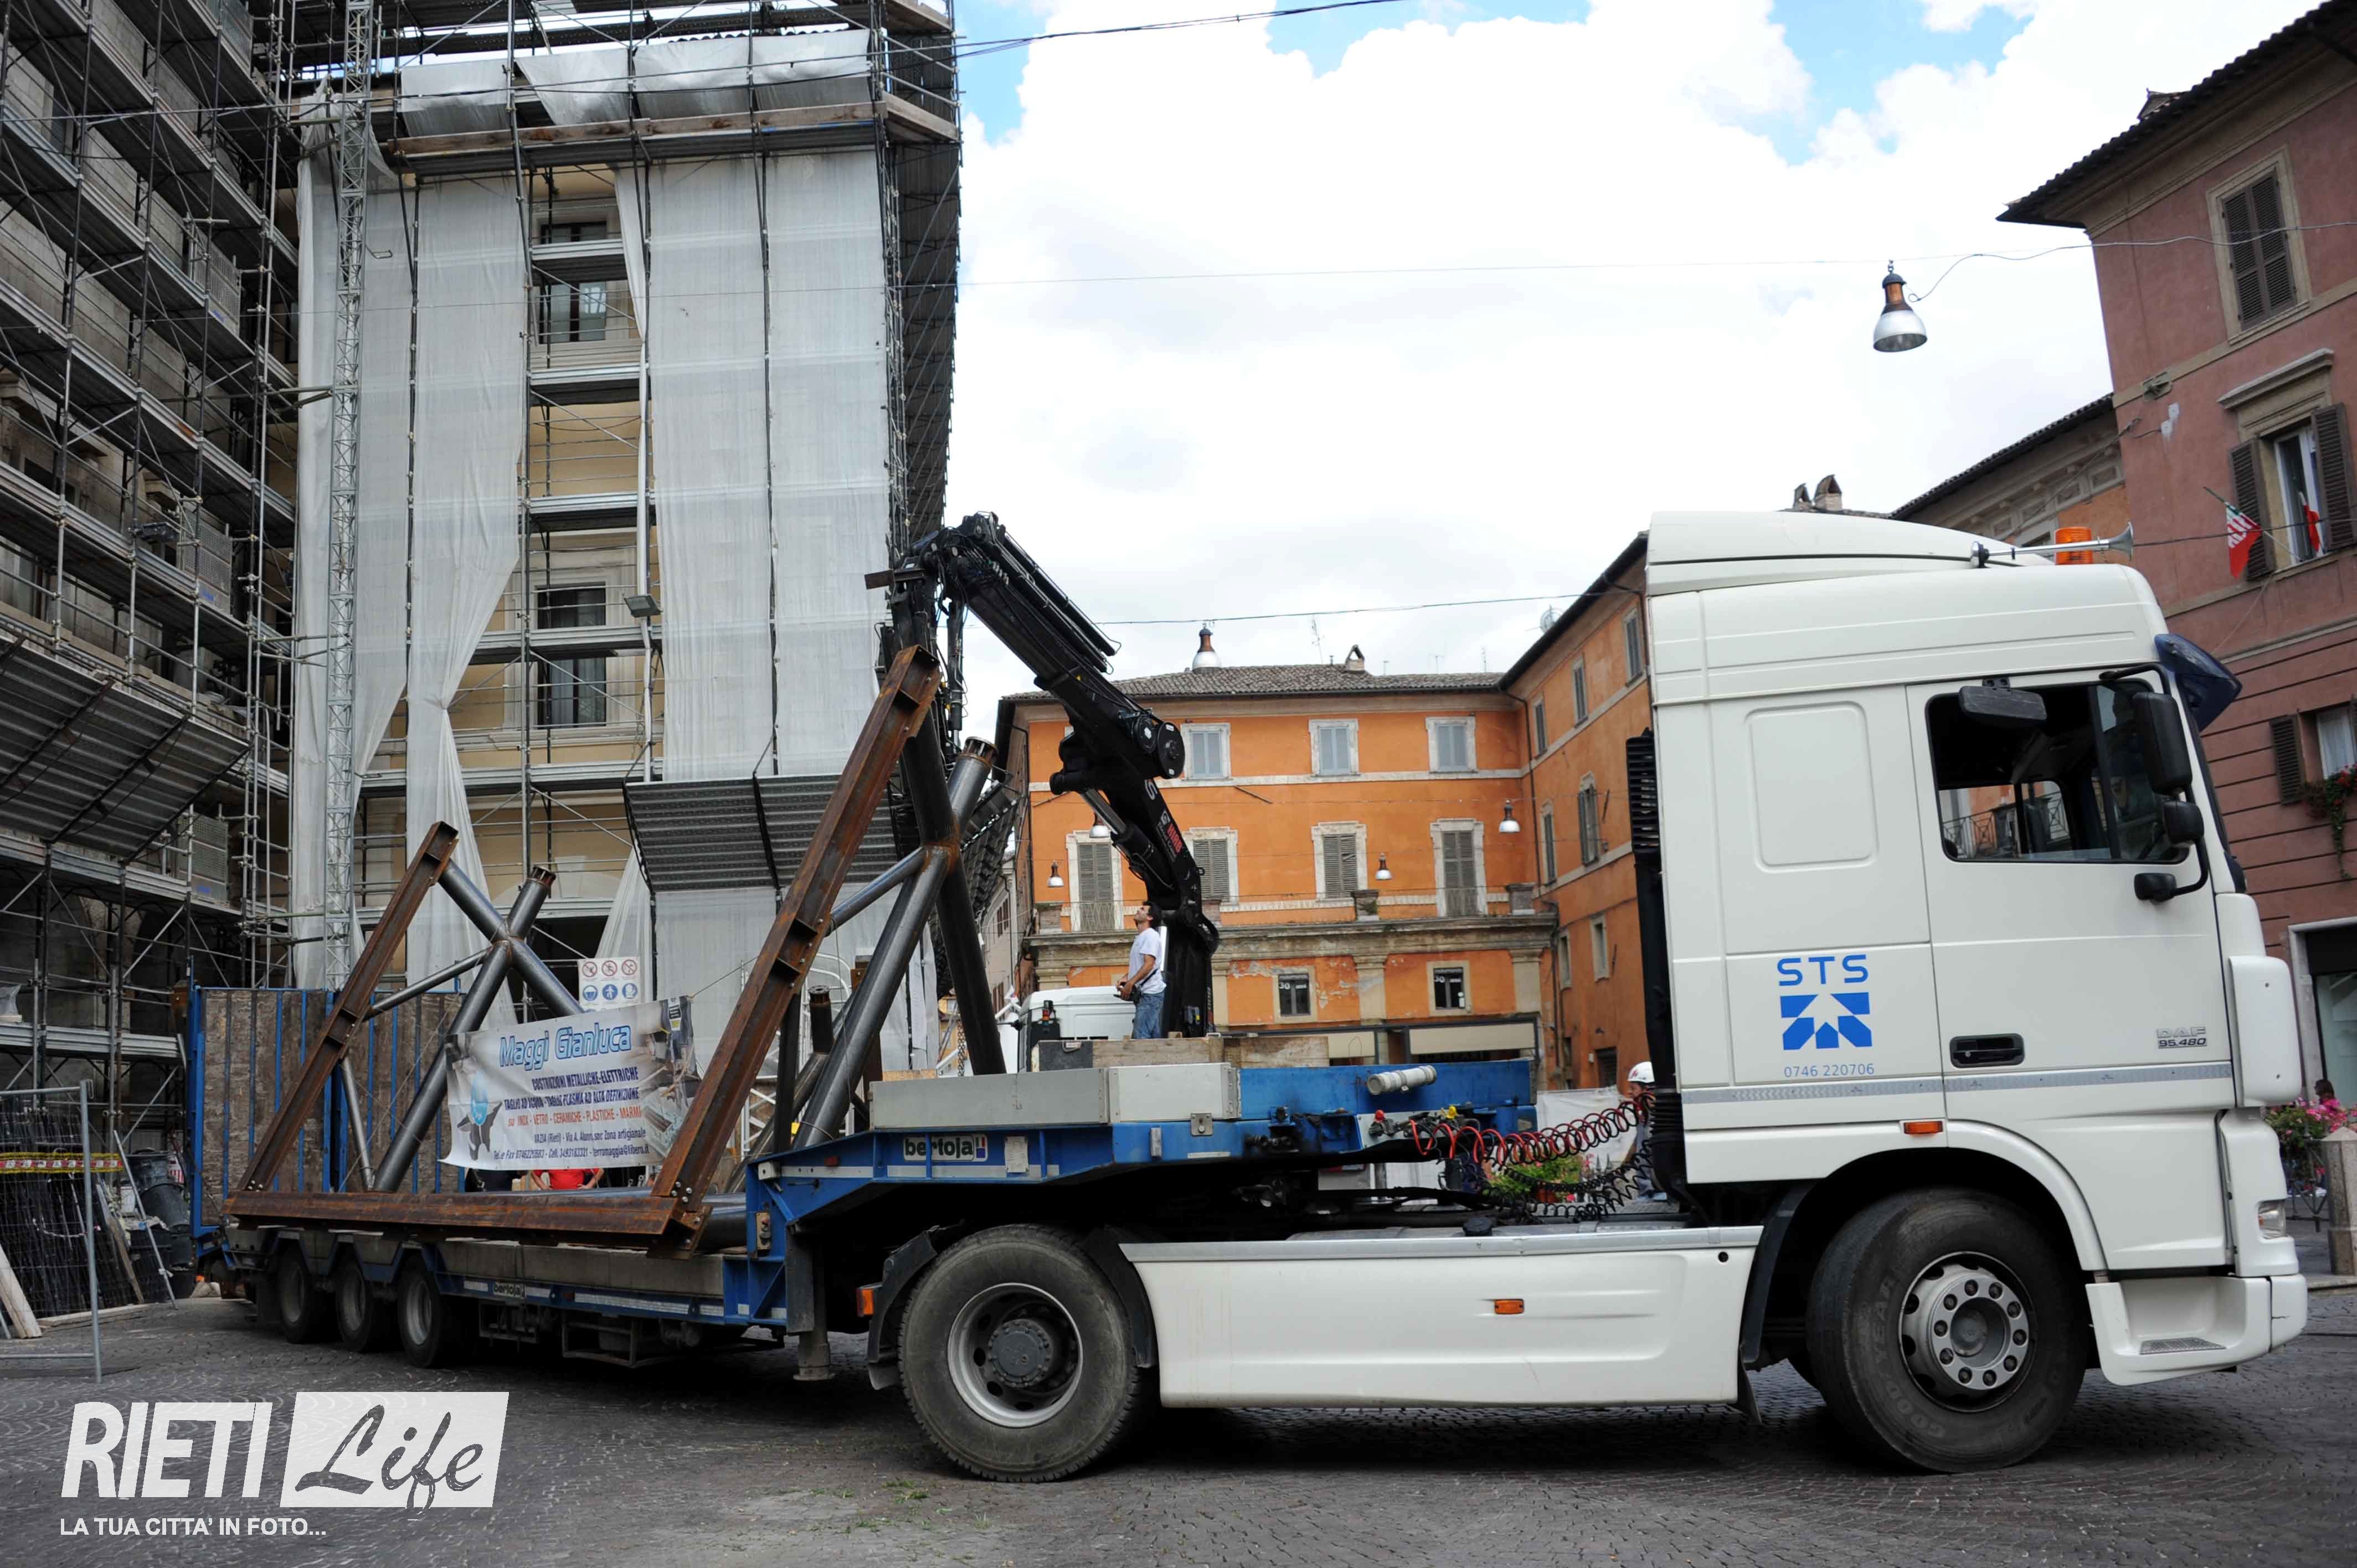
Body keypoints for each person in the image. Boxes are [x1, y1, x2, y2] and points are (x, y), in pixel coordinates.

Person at [1116, 902, 1167, 1039]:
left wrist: (1130, 983)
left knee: (1141, 1037)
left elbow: (1149, 965)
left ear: (1150, 918)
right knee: (1153, 1037)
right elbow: (1142, 966)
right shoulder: (1142, 937)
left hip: (1150, 994)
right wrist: (1126, 978)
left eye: (1143, 909)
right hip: (1148, 994)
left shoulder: (1150, 936)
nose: (1138, 910)